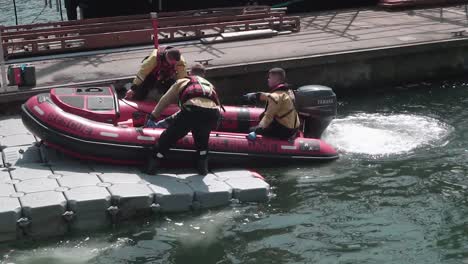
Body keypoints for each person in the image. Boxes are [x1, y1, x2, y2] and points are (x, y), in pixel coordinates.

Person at [145, 65, 222, 175]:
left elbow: (165, 99)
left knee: (167, 139)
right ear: (203, 75)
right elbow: (214, 105)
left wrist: (153, 116)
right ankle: (203, 170)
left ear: (190, 73)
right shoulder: (209, 85)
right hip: (212, 114)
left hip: (192, 111)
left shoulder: (183, 81)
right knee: (202, 142)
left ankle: (151, 168)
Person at [243, 68, 300, 140]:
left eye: (270, 78)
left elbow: (268, 117)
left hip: (285, 130)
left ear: (276, 80)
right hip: (294, 127)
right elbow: (273, 97)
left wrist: (256, 130)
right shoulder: (288, 91)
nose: (268, 80)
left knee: (251, 129)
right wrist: (257, 95)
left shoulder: (276, 96)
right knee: (261, 116)